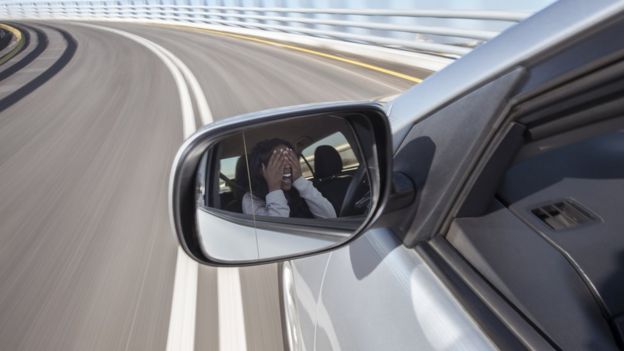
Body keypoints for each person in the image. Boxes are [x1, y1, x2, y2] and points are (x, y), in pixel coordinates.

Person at [242, 138, 337, 218]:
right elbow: (275, 233)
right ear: (262, 170)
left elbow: (330, 217)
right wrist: (274, 188)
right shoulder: (251, 199)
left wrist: (300, 181)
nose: (287, 166)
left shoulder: (301, 188)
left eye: (291, 159)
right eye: (278, 161)